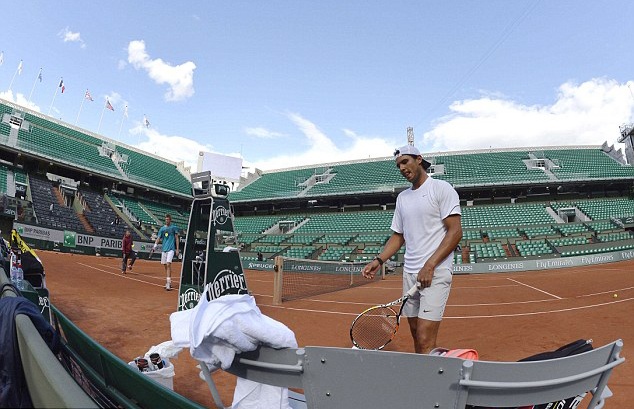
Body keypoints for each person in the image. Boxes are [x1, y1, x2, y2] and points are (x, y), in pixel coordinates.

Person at [362, 145, 462, 354]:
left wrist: (430, 266)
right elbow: (398, 236)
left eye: (405, 161)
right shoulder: (403, 198)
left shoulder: (441, 188)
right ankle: (424, 369)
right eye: (398, 165)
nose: (401, 168)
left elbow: (455, 232)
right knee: (416, 333)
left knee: (425, 337)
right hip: (410, 274)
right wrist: (378, 260)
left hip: (435, 272)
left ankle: (432, 373)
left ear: (419, 159)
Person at [153, 214, 180, 291]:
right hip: (164, 250)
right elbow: (158, 238)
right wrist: (155, 246)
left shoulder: (174, 228)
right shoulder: (162, 229)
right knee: (165, 265)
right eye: (166, 219)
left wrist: (177, 249)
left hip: (171, 249)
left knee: (168, 264)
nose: (167, 220)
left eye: (168, 219)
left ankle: (168, 283)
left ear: (170, 220)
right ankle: (169, 279)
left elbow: (177, 238)